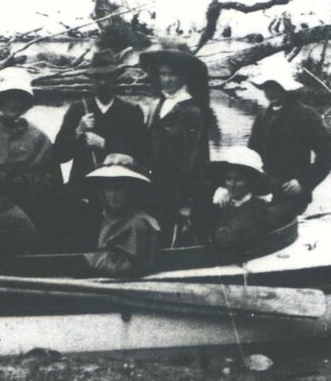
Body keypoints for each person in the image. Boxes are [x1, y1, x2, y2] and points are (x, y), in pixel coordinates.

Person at [0, 66, 61, 266]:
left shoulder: (39, 138)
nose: (13, 104)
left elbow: (53, 183)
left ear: (26, 102)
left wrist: (25, 183)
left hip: (30, 212)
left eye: (18, 98)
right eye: (8, 97)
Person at [49, 48, 146, 246]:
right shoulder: (77, 110)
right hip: (84, 188)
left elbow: (141, 153)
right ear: (91, 80)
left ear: (115, 79)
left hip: (118, 190)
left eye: (107, 77)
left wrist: (105, 144)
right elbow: (59, 155)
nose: (102, 82)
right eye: (97, 78)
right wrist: (78, 131)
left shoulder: (131, 111)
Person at [137, 40, 219, 240]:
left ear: (184, 76)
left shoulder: (192, 110)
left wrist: (187, 200)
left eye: (173, 74)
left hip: (179, 187)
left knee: (176, 234)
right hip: (157, 183)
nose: (167, 80)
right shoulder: (158, 105)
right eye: (163, 74)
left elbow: (195, 158)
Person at [241, 53, 331, 218]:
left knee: (264, 220)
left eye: (275, 87)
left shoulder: (306, 116)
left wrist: (303, 183)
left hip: (292, 193)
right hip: (264, 189)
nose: (270, 92)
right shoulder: (262, 117)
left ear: (286, 89)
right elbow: (252, 154)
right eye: (266, 87)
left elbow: (329, 154)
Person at [81, 156, 163, 279]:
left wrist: (91, 260)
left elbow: (131, 267)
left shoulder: (139, 222)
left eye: (119, 189)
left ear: (131, 191)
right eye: (109, 189)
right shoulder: (109, 219)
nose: (113, 195)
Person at [202, 145, 284, 252]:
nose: (232, 185)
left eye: (238, 179)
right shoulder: (226, 204)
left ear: (250, 182)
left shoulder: (257, 209)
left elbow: (225, 239)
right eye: (228, 179)